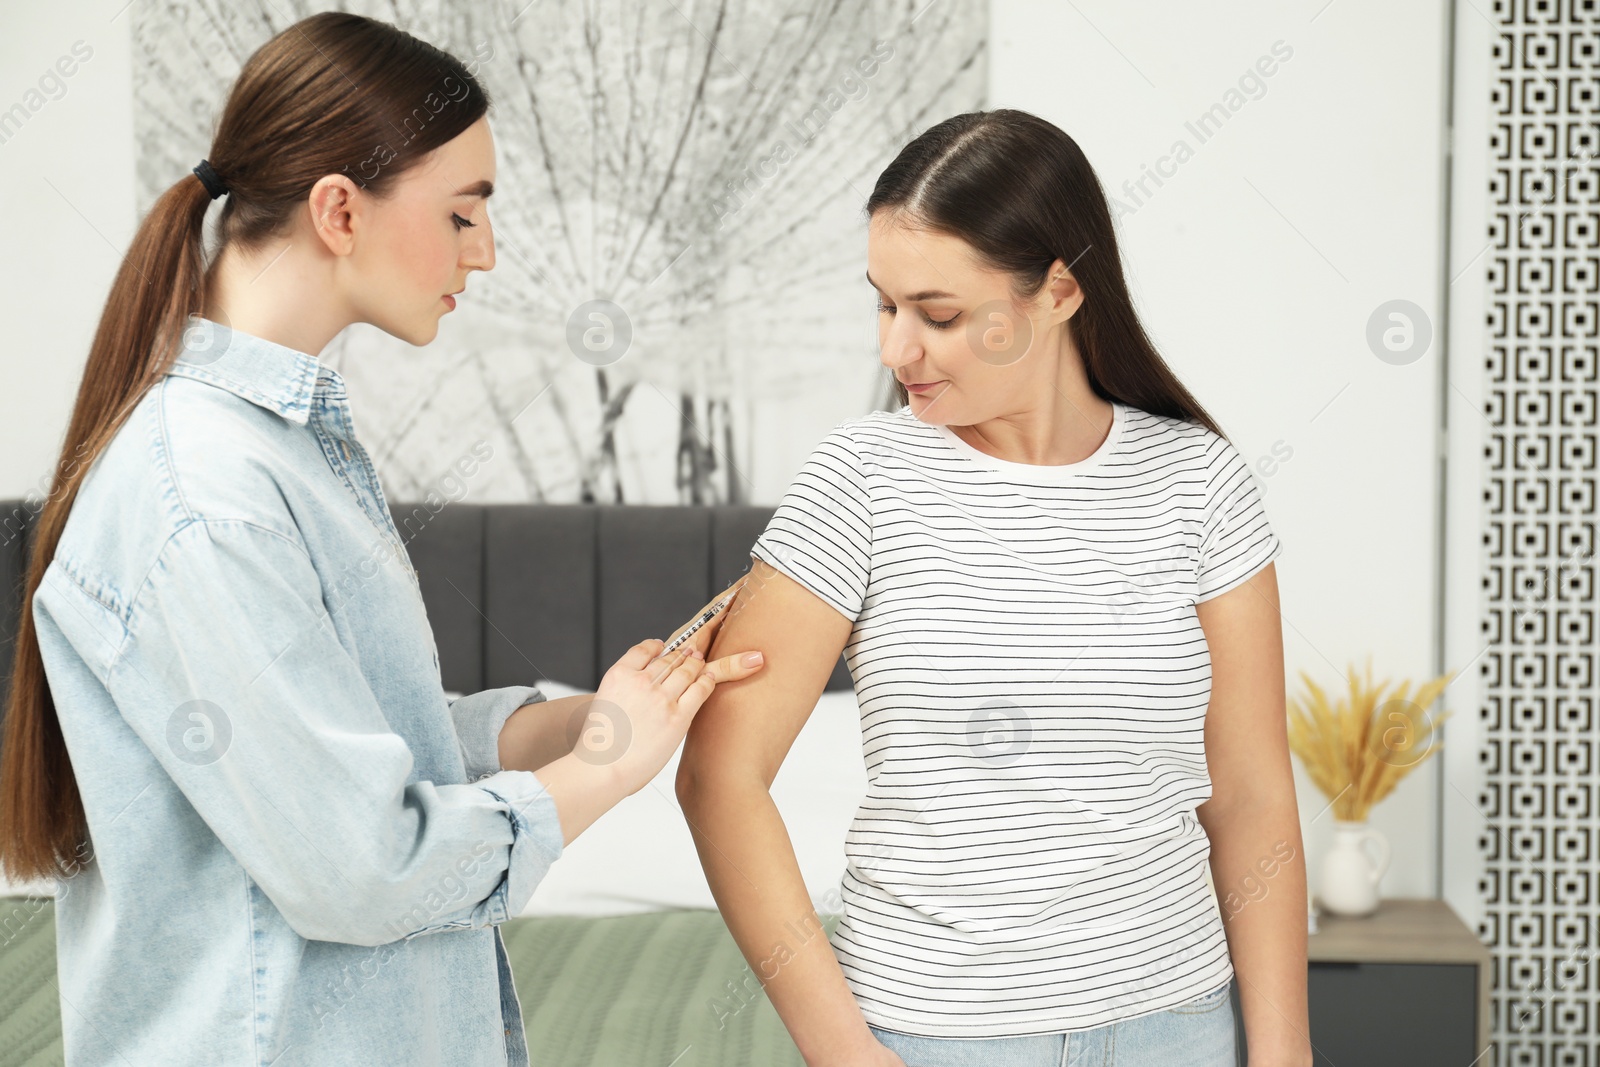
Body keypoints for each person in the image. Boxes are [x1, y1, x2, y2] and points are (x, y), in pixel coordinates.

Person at [0, 13, 763, 1067]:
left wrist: (565, 723)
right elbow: (360, 864)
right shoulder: (207, 494)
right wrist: (603, 765)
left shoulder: (286, 454)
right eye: (463, 212)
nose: (485, 252)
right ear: (339, 210)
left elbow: (338, 735)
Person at [677, 109, 1312, 1067]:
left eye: (937, 314)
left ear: (1059, 291)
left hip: (1177, 1027)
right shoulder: (860, 479)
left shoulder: (1199, 483)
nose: (897, 351)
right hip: (935, 1035)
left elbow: (1254, 794)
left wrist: (1282, 1052)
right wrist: (845, 1052)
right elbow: (720, 777)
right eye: (883, 306)